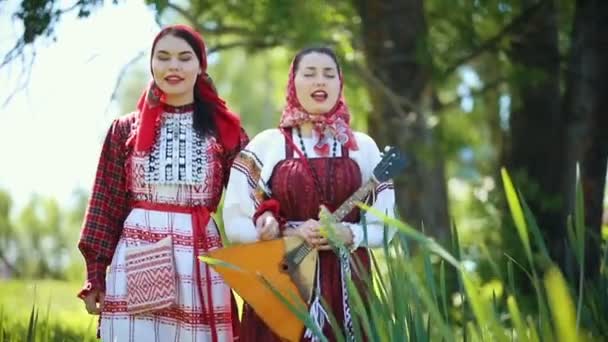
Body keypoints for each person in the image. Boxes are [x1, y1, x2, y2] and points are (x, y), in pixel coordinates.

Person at [77, 24, 248, 341]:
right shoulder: (125, 129)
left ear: (200, 66)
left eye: (185, 58)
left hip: (199, 258)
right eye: (164, 57)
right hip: (138, 252)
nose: (173, 66)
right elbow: (106, 203)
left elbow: (249, 200)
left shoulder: (225, 130)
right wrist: (96, 275)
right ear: (152, 63)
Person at [223, 46, 396, 341]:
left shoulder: (364, 148)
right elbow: (236, 222)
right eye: (310, 74)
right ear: (293, 81)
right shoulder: (267, 145)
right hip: (284, 282)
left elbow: (388, 224)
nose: (320, 81)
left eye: (329, 74)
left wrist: (351, 234)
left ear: (340, 83)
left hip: (350, 282)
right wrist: (278, 232)